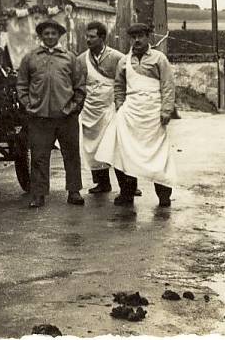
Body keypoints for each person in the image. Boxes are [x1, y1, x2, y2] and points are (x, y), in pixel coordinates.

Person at [95, 22, 178, 207]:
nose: (137, 40)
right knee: (122, 151)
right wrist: (120, 106)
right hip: (130, 112)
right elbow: (119, 86)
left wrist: (166, 110)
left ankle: (163, 195)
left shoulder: (159, 59)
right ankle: (127, 193)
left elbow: (167, 85)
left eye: (141, 36)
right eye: (133, 37)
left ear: (148, 37)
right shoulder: (124, 61)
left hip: (153, 114)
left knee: (158, 154)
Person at [16, 18, 87, 208]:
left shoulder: (70, 58)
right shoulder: (30, 57)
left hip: (66, 116)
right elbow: (22, 84)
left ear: (59, 36)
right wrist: (28, 104)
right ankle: (38, 194)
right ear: (40, 36)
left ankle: (74, 191)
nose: (49, 37)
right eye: (46, 33)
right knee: (39, 156)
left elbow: (79, 86)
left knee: (71, 154)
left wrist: (73, 108)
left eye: (53, 33)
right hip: (39, 117)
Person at [78, 21, 134, 195]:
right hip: (90, 109)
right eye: (86, 36)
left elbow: (125, 82)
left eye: (92, 37)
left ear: (102, 38)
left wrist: (122, 105)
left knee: (117, 147)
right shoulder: (81, 59)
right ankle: (102, 183)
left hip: (111, 107)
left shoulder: (117, 57)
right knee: (93, 147)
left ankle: (130, 186)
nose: (88, 40)